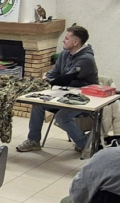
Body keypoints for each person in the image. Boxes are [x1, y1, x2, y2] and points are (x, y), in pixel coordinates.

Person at [16, 25, 99, 153]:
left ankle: (84, 143)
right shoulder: (65, 53)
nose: (63, 40)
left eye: (66, 38)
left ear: (75, 42)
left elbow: (66, 79)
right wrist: (47, 77)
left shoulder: (86, 59)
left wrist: (50, 80)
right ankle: (33, 141)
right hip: (63, 94)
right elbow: (54, 73)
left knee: (61, 117)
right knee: (38, 104)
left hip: (84, 99)